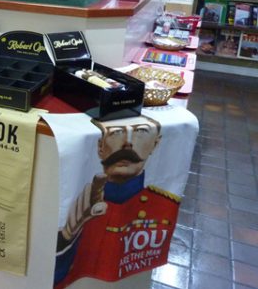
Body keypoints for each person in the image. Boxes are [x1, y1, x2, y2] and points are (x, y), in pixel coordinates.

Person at [54, 115, 181, 288]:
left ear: (155, 143)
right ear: (100, 145)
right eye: (116, 132)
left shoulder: (164, 206)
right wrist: (67, 237)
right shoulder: (71, 201)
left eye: (141, 131)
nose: (127, 143)